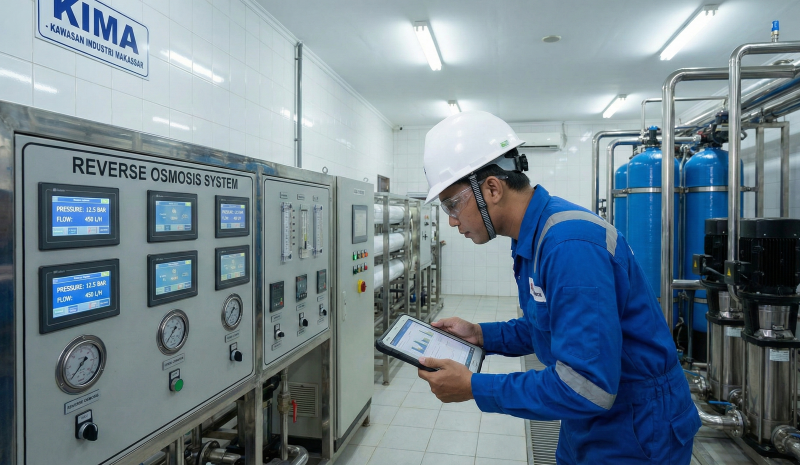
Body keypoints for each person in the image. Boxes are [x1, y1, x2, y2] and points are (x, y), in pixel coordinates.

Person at [415, 110, 701, 464]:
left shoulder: (568, 246)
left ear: (491, 188)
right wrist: (481, 335)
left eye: (452, 204)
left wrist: (475, 387)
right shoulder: (535, 238)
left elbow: (588, 386)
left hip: (637, 429)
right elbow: (549, 325)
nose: (451, 220)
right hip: (591, 420)